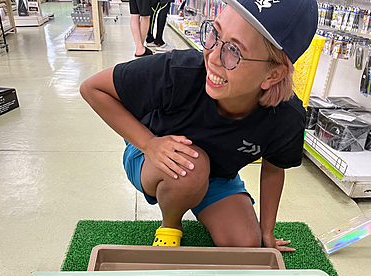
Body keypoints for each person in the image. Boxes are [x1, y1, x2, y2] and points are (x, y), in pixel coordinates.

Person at [80, 0, 318, 251]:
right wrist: (149, 144)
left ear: (272, 75)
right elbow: (92, 89)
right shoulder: (178, 71)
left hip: (216, 173)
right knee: (192, 166)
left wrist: (267, 231)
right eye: (215, 33)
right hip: (151, 155)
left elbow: (273, 169)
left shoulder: (287, 117)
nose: (213, 56)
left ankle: (198, 191)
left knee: (246, 245)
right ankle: (171, 224)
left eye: (234, 51)